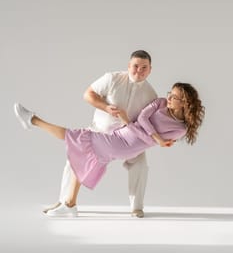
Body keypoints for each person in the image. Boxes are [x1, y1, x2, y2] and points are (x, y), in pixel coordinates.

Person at [14, 82, 205, 217]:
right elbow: (143, 120)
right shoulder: (161, 102)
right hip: (120, 134)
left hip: (127, 146)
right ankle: (70, 204)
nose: (169, 97)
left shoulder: (180, 129)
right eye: (169, 93)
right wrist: (148, 133)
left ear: (185, 103)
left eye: (175, 97)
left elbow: (147, 138)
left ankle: (33, 120)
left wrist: (146, 133)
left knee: (75, 136)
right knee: (81, 155)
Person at [43, 50, 157, 218]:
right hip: (99, 132)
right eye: (135, 66)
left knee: (140, 165)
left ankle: (137, 208)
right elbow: (88, 94)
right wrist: (105, 107)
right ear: (128, 66)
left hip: (128, 139)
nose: (139, 71)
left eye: (144, 68)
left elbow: (148, 122)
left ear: (150, 70)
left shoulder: (151, 95)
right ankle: (64, 201)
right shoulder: (112, 78)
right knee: (73, 159)